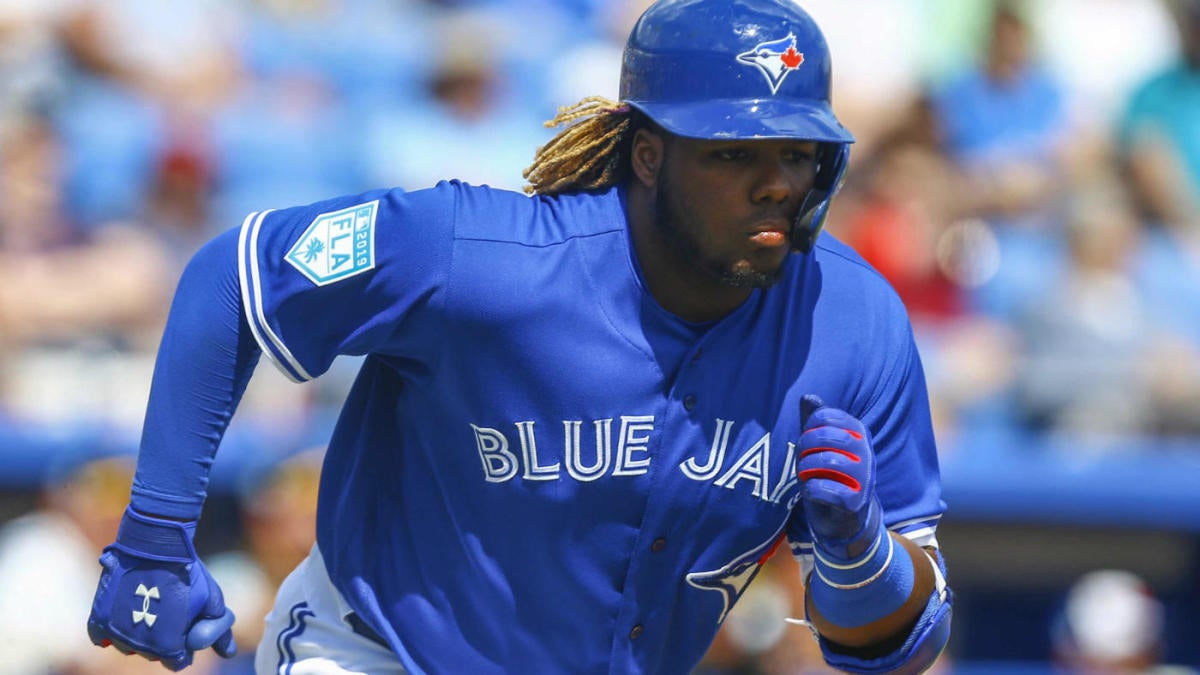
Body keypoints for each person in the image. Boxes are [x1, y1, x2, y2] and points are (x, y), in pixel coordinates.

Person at [85, 0, 952, 673]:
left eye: (797, 152)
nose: (776, 183)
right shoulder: (479, 254)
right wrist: (156, 533)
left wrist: (859, 555)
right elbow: (231, 278)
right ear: (647, 153)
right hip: (380, 649)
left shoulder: (852, 321)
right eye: (733, 152)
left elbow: (896, 645)